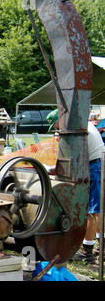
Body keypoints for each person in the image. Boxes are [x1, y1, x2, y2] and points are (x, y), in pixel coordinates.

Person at [47, 109, 105, 263]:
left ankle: (88, 252)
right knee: (96, 209)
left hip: (95, 167)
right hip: (96, 165)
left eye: (55, 125)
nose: (56, 129)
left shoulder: (77, 130)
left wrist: (53, 170)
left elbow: (71, 158)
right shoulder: (81, 125)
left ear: (61, 119)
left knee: (92, 211)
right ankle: (99, 246)